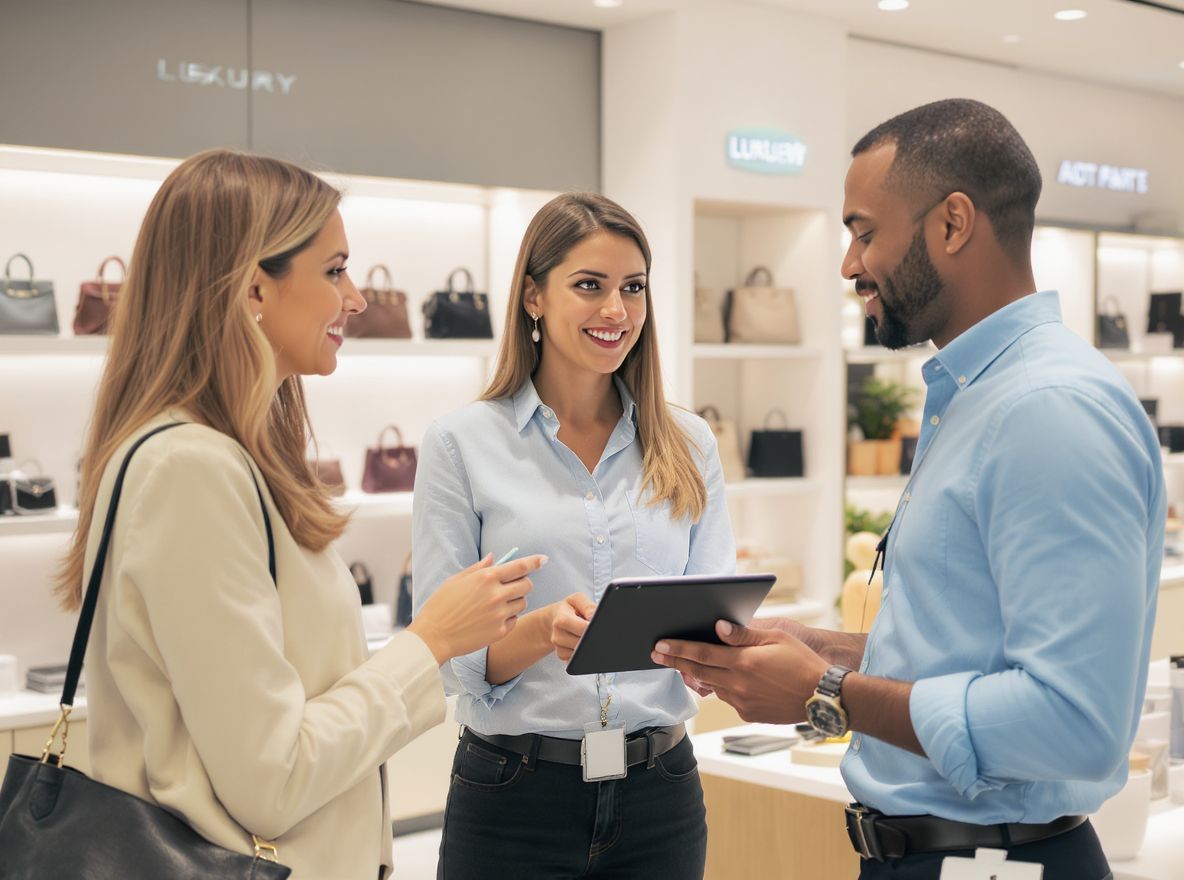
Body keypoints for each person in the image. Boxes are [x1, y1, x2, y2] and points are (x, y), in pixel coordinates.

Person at [652, 98, 1166, 880]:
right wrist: (836, 652)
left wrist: (830, 692)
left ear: (952, 224)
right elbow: (976, 645)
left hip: (995, 863)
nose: (848, 264)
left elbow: (1074, 721)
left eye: (864, 232)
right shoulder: (976, 395)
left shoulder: (1046, 411)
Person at [54, 149, 543, 880]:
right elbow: (272, 779)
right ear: (255, 289)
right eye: (335, 270)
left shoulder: (213, 459)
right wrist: (430, 641)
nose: (355, 300)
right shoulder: (192, 470)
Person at [412, 192, 736, 879]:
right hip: (512, 798)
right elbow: (443, 657)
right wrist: (538, 633)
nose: (616, 311)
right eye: (589, 286)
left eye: (633, 288)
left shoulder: (690, 442)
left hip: (662, 796)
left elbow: (715, 609)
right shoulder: (460, 444)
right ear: (533, 296)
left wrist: (717, 653)